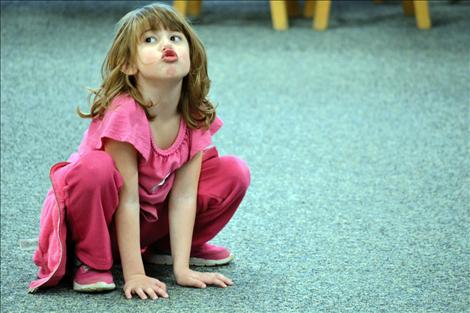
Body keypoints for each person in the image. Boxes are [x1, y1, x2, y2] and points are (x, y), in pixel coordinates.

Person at [29, 2, 250, 300]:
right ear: (129, 65)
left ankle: (166, 250)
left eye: (175, 37)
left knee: (232, 171)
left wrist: (182, 271)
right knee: (95, 169)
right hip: (97, 219)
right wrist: (134, 274)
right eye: (149, 39)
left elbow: (185, 194)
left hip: (142, 218)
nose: (166, 44)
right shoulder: (125, 111)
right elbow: (127, 198)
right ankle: (91, 259)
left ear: (192, 57)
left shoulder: (194, 112)